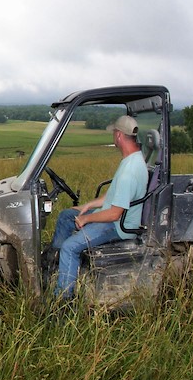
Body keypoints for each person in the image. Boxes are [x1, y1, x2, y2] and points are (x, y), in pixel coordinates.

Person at [49, 115, 149, 301]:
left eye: (114, 133)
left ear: (119, 135)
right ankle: (55, 267)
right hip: (114, 217)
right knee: (66, 216)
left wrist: (87, 218)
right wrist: (88, 206)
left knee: (70, 247)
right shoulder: (131, 159)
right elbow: (112, 197)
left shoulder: (130, 171)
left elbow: (114, 213)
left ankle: (62, 299)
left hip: (118, 226)